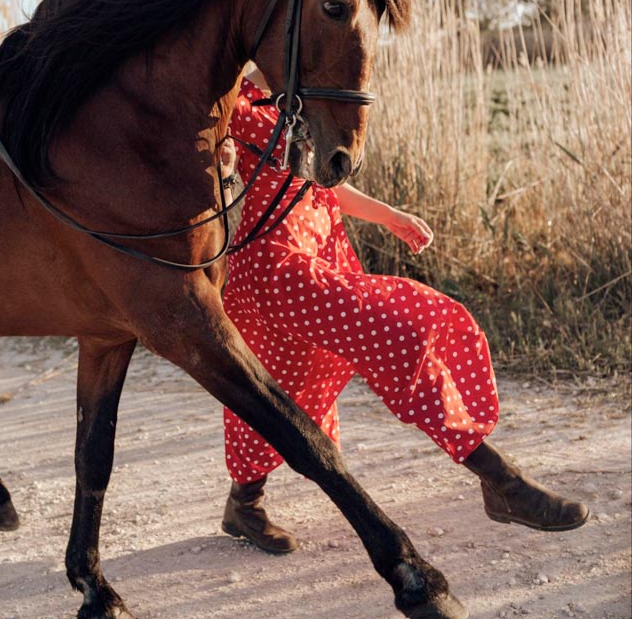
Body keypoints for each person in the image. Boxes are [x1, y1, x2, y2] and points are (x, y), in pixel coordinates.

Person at [218, 68, 588, 553]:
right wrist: (225, 166)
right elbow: (208, 176)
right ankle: (503, 481)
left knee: (285, 381)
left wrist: (389, 215)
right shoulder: (232, 100)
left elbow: (319, 184)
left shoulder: (300, 97)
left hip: (321, 251)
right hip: (275, 265)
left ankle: (244, 502)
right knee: (401, 335)